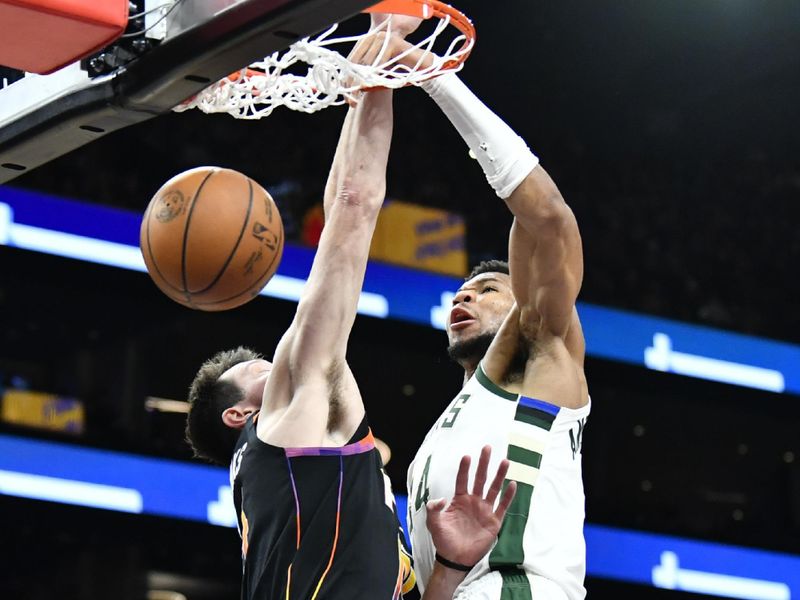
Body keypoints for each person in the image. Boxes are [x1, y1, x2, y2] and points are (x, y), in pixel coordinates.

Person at [184, 14, 516, 600]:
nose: (281, 358)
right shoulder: (286, 417)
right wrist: (376, 67)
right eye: (261, 368)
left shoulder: (289, 478)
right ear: (240, 415)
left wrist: (372, 73)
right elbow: (353, 205)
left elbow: (350, 202)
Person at [394, 45, 591, 600]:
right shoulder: (442, 433)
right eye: (459, 292)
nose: (464, 298)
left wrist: (436, 80)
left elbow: (548, 220)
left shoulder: (545, 356)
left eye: (486, 290)